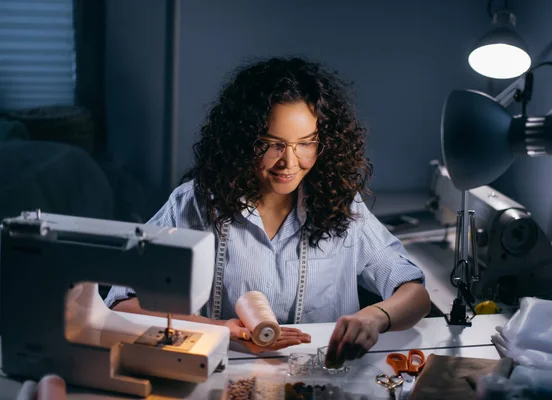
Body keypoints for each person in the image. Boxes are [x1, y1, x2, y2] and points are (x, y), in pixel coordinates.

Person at [104, 56, 430, 366]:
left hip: (322, 379)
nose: (289, 162)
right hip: (222, 374)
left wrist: (374, 317)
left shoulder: (343, 207)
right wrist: (214, 328)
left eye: (306, 143)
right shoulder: (193, 207)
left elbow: (414, 293)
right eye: (272, 143)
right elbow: (121, 302)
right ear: (243, 139)